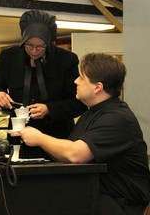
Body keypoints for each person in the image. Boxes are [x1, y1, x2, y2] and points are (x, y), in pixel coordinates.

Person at [12, 53, 150, 215]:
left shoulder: (117, 118)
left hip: (120, 205)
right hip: (93, 198)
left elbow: (75, 155)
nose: (75, 81)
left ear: (97, 87)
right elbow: (66, 156)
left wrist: (40, 139)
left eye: (82, 78)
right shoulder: (89, 115)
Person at [0, 9, 87, 158]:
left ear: (49, 43)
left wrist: (49, 109)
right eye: (29, 45)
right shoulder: (9, 57)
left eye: (40, 46)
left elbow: (78, 103)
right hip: (18, 140)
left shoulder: (66, 60)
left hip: (57, 139)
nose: (34, 50)